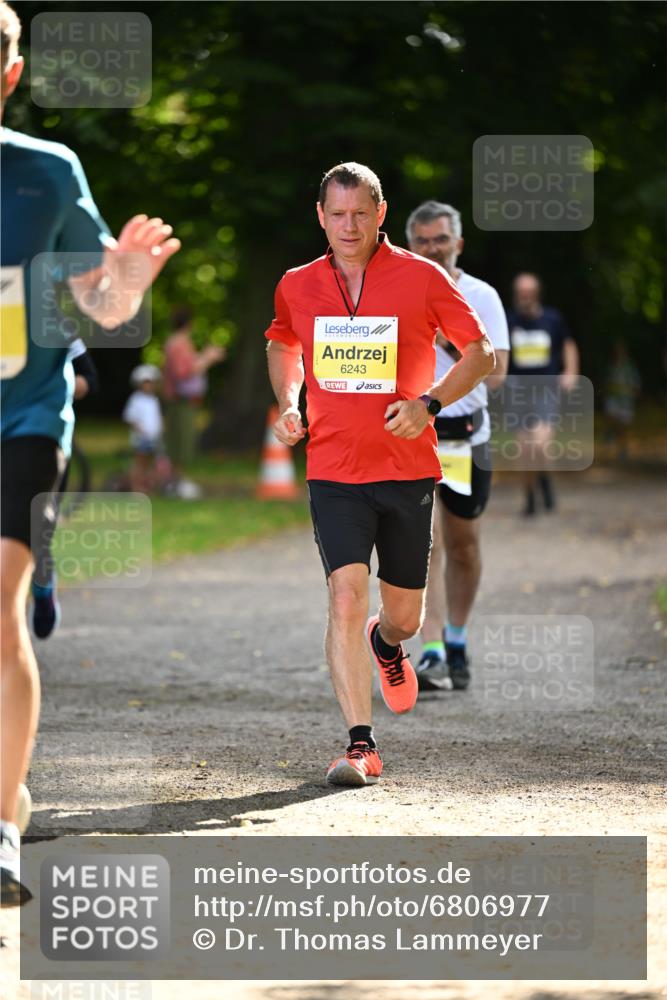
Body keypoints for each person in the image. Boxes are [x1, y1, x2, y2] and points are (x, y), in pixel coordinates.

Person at [0, 0, 180, 905]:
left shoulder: (45, 174)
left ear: (10, 75)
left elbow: (105, 309)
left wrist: (130, 279)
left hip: (25, 418)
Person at [265, 162, 494, 787]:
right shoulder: (298, 284)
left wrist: (430, 404)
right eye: (337, 214)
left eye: (360, 213)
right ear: (320, 216)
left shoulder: (422, 279)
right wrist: (290, 402)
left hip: (407, 469)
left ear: (381, 214)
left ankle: (387, 645)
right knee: (343, 591)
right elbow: (282, 343)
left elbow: (481, 353)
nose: (348, 225)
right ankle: (360, 745)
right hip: (333, 469)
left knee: (405, 618)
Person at [405, 201, 509, 692]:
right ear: (411, 244)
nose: (432, 248)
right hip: (413, 436)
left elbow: (497, 373)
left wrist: (450, 337)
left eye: (440, 239)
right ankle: (431, 652)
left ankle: (458, 636)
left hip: (468, 438)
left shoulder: (480, 295)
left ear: (458, 243)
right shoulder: (396, 293)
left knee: (463, 546)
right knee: (425, 545)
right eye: (422, 241)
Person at [30, 338, 98, 640]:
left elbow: (90, 380)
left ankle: (42, 588)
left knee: (34, 532)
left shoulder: (54, 327)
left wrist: (53, 388)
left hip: (40, 436)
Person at [505, 272, 579, 516]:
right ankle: (530, 497)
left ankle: (543, 477)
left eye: (529, 293)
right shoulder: (509, 321)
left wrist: (570, 371)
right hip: (517, 391)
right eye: (521, 293)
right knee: (524, 450)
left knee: (540, 446)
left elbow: (568, 344)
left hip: (545, 388)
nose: (525, 298)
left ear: (537, 294)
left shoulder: (552, 319)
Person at [162, 305, 225, 497]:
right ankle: (176, 484)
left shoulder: (175, 343)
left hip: (181, 401)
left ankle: (174, 482)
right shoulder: (179, 344)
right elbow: (184, 372)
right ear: (190, 324)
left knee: (179, 441)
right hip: (182, 402)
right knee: (181, 442)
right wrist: (208, 358)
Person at [123, 364, 165, 492]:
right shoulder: (136, 399)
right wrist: (141, 431)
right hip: (141, 438)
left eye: (151, 383)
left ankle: (146, 486)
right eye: (146, 383)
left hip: (153, 437)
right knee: (139, 463)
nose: (149, 386)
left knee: (149, 463)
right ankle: (135, 486)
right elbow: (130, 417)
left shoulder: (154, 400)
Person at [604, 340, 641, 461]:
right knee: (613, 417)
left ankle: (622, 449)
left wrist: (633, 393)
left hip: (626, 401)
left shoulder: (629, 368)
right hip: (614, 399)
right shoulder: (611, 366)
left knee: (623, 428)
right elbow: (608, 382)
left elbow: (636, 385)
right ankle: (610, 433)